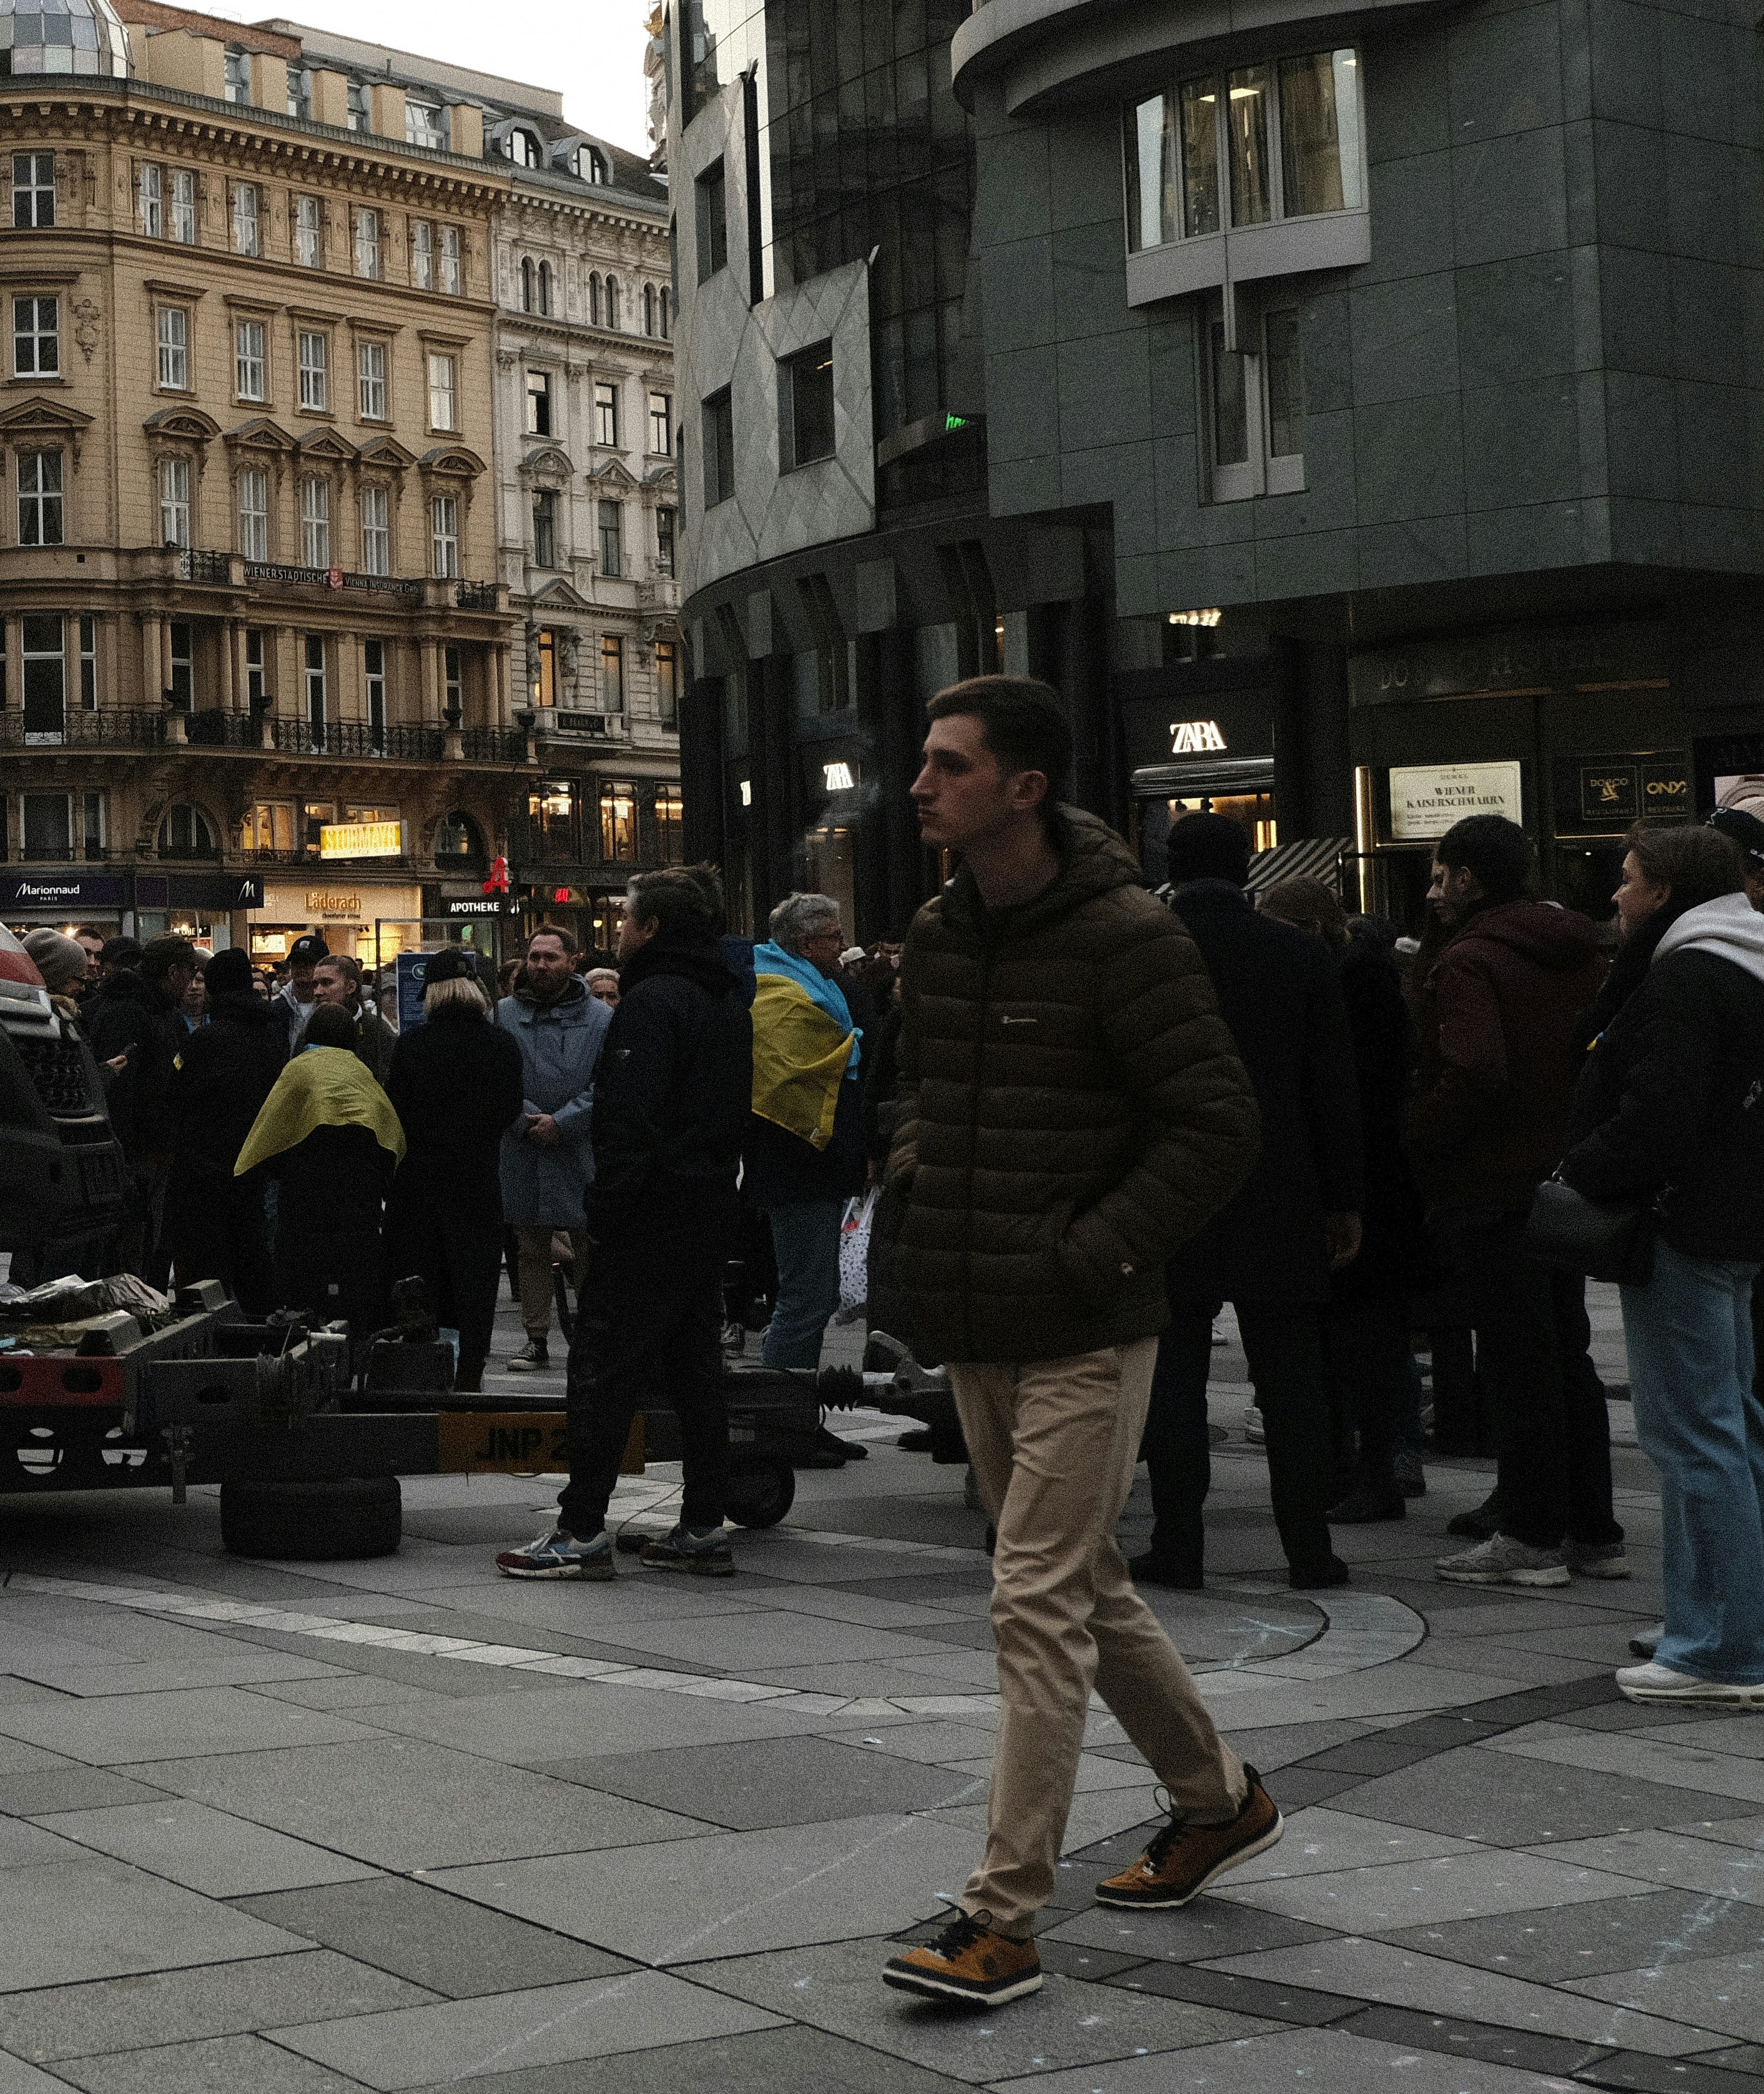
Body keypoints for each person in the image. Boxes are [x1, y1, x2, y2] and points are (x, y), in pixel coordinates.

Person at [872, 676, 1272, 2012]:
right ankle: (1217, 1800)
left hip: (1086, 1320)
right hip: (975, 1311)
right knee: (1085, 1583)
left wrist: (1091, 1247)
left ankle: (1002, 1916)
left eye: (947, 764)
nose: (919, 784)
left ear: (1024, 785)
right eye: (923, 763)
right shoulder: (938, 928)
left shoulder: (1127, 933)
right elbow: (917, 1080)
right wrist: (921, 1178)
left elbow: (1216, 1125)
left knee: (1032, 1597)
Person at [1553, 826, 1764, 1701]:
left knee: (1695, 1434)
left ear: (1668, 890)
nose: (1617, 898)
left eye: (1630, 881)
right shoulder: (1749, 960)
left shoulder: (1686, 973)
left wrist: (1579, 1169)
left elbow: (1661, 1112)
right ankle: (1715, 1615)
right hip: (1738, 1221)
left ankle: (1718, 1646)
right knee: (1730, 1427)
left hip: (1682, 1222)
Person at [500, 867, 754, 1581]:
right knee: (696, 1369)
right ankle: (704, 1523)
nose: (619, 928)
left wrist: (607, 1208)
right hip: (706, 1205)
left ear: (652, 929)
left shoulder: (651, 1003)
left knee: (602, 1370)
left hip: (650, 1213)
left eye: (628, 918)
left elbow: (630, 1118)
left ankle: (581, 1527)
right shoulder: (727, 999)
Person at [1140, 814, 1364, 1594]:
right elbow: (1331, 1087)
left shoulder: (1148, 952)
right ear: (1249, 868)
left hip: (1170, 1186)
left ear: (1170, 865)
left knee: (1172, 1375)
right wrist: (1343, 1196)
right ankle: (1309, 1547)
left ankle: (1179, 1543)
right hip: (1281, 1187)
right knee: (1293, 1380)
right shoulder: (1298, 952)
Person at [1409, 812, 1625, 1588]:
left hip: (1491, 1182)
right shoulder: (1579, 950)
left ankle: (1532, 1534)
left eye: (1439, 876)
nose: (1432, 892)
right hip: (1561, 1176)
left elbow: (1474, 1068)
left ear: (1470, 877)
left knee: (1518, 1361)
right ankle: (1592, 1526)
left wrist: (1421, 1135)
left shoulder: (1470, 959)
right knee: (1567, 1355)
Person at [1261, 876, 1437, 1521]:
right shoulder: (1362, 975)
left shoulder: (1356, 983)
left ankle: (1378, 1464)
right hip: (1372, 1180)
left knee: (1365, 1336)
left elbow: (1355, 1090)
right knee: (1364, 1334)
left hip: (1367, 1185)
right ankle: (1374, 1461)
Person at [747, 894, 869, 1383]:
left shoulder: (819, 980)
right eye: (834, 937)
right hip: (794, 1158)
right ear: (805, 942)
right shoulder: (778, 987)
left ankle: (794, 1413)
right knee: (805, 1295)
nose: (842, 946)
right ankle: (781, 1413)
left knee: (811, 1294)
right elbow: (788, 1074)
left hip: (815, 1157)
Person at [384, 954, 524, 1343]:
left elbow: (397, 1110)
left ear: (432, 993)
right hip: (478, 1182)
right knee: (475, 1288)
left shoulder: (412, 1046)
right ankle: (472, 1371)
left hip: (421, 1186)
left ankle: (426, 1370)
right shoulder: (503, 1045)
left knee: (423, 1286)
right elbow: (510, 1108)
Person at [235, 1003, 403, 1323]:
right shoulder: (360, 1073)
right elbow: (387, 1130)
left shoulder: (298, 1070)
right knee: (354, 1268)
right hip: (357, 1196)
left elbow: (272, 1129)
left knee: (303, 1277)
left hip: (304, 1195)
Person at [495, 928, 608, 1370]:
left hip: (579, 1145)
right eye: (534, 957)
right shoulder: (503, 1014)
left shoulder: (600, 1018)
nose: (540, 965)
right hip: (523, 1144)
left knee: (588, 1245)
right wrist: (526, 1120)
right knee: (531, 1247)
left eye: (550, 957)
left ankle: (593, 1339)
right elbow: (496, 1078)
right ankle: (535, 1337)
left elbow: (609, 1083)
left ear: (572, 961)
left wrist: (564, 1122)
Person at [164, 949, 288, 1305]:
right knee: (253, 1253)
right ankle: (260, 1329)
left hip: (204, 1168)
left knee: (207, 1266)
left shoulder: (204, 1041)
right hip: (254, 1162)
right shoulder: (273, 1035)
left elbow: (176, 1096)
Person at [86, 938, 198, 1275]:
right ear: (174, 971)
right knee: (134, 1242)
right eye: (190, 973)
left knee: (149, 1241)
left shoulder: (160, 1012)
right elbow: (125, 1087)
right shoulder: (136, 1012)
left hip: (153, 1148)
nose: (193, 982)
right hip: (138, 1151)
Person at [295, 953, 397, 1079]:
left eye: (326, 983)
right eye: (315, 984)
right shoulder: (309, 1032)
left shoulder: (377, 1031)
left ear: (351, 987)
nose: (318, 992)